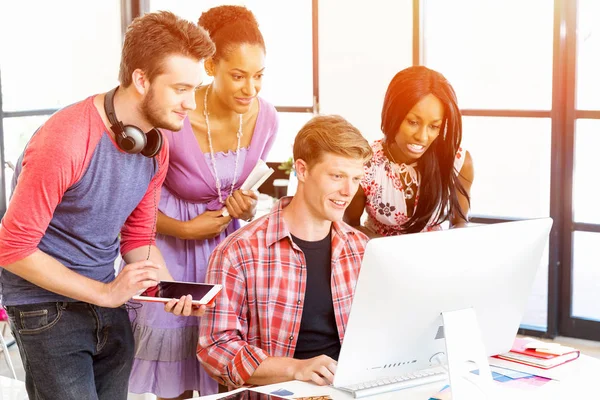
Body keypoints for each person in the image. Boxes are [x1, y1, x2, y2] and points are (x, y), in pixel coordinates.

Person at [0, 11, 215, 400]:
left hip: (107, 296)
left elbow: (137, 238)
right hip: (45, 306)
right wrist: (105, 293)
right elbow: (11, 248)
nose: (190, 104)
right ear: (140, 79)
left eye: (194, 89)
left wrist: (169, 291)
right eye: (181, 88)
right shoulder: (64, 140)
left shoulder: (154, 146)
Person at [127, 6, 278, 400]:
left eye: (259, 76)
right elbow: (134, 205)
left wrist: (245, 206)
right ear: (211, 66)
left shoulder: (267, 119)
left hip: (227, 250)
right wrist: (185, 229)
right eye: (239, 75)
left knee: (226, 364)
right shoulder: (175, 117)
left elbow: (244, 188)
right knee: (175, 381)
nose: (251, 89)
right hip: (170, 246)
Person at [197, 115, 373, 388]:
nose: (348, 191)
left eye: (356, 178)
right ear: (302, 170)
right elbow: (216, 349)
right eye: (337, 176)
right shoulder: (238, 252)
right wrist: (296, 369)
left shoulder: (361, 250)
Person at [344, 65, 474, 236]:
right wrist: (388, 249)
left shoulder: (457, 161)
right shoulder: (365, 164)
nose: (422, 137)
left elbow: (460, 223)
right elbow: (350, 228)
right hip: (379, 254)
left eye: (434, 126)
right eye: (413, 122)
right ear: (392, 114)